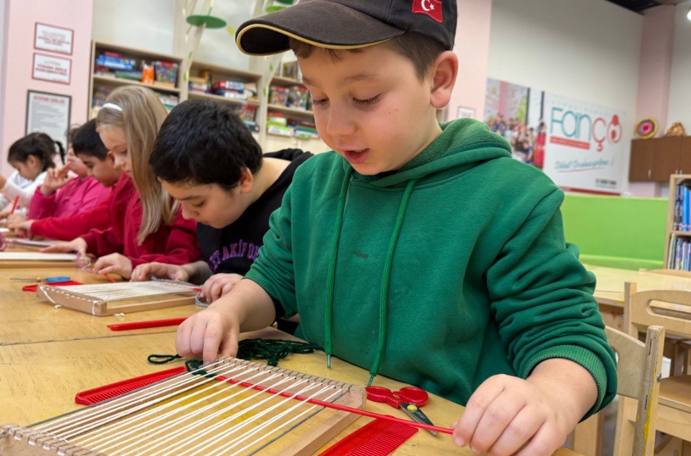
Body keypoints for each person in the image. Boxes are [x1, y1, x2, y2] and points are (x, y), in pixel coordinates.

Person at [176, 1, 616, 455]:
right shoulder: (311, 183)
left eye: (365, 98)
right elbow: (272, 282)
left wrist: (551, 394)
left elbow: (568, 339)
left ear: (439, 80)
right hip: (319, 416)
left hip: (443, 435)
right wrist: (229, 313)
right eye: (318, 98)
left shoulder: (512, 196)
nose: (335, 126)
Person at [130, 99, 312, 305]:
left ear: (243, 179)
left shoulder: (309, 194)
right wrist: (188, 272)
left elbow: (331, 307)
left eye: (197, 203)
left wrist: (255, 291)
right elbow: (228, 266)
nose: (188, 215)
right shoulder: (220, 193)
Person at [43, 87, 200, 279]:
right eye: (112, 153)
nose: (117, 163)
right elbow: (122, 237)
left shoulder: (180, 191)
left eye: (124, 151)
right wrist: (88, 241)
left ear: (150, 141)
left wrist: (134, 265)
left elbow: (184, 262)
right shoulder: (129, 184)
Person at [8, 120, 119, 240]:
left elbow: (82, 228)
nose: (70, 152)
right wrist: (46, 190)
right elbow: (36, 231)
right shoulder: (70, 183)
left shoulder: (101, 184)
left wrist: (34, 226)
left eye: (77, 151)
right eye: (70, 148)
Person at [0, 132, 60, 219]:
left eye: (19, 168)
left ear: (32, 161)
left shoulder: (48, 177)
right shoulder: (18, 176)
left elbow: (25, 199)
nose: (18, 173)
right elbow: (0, 203)